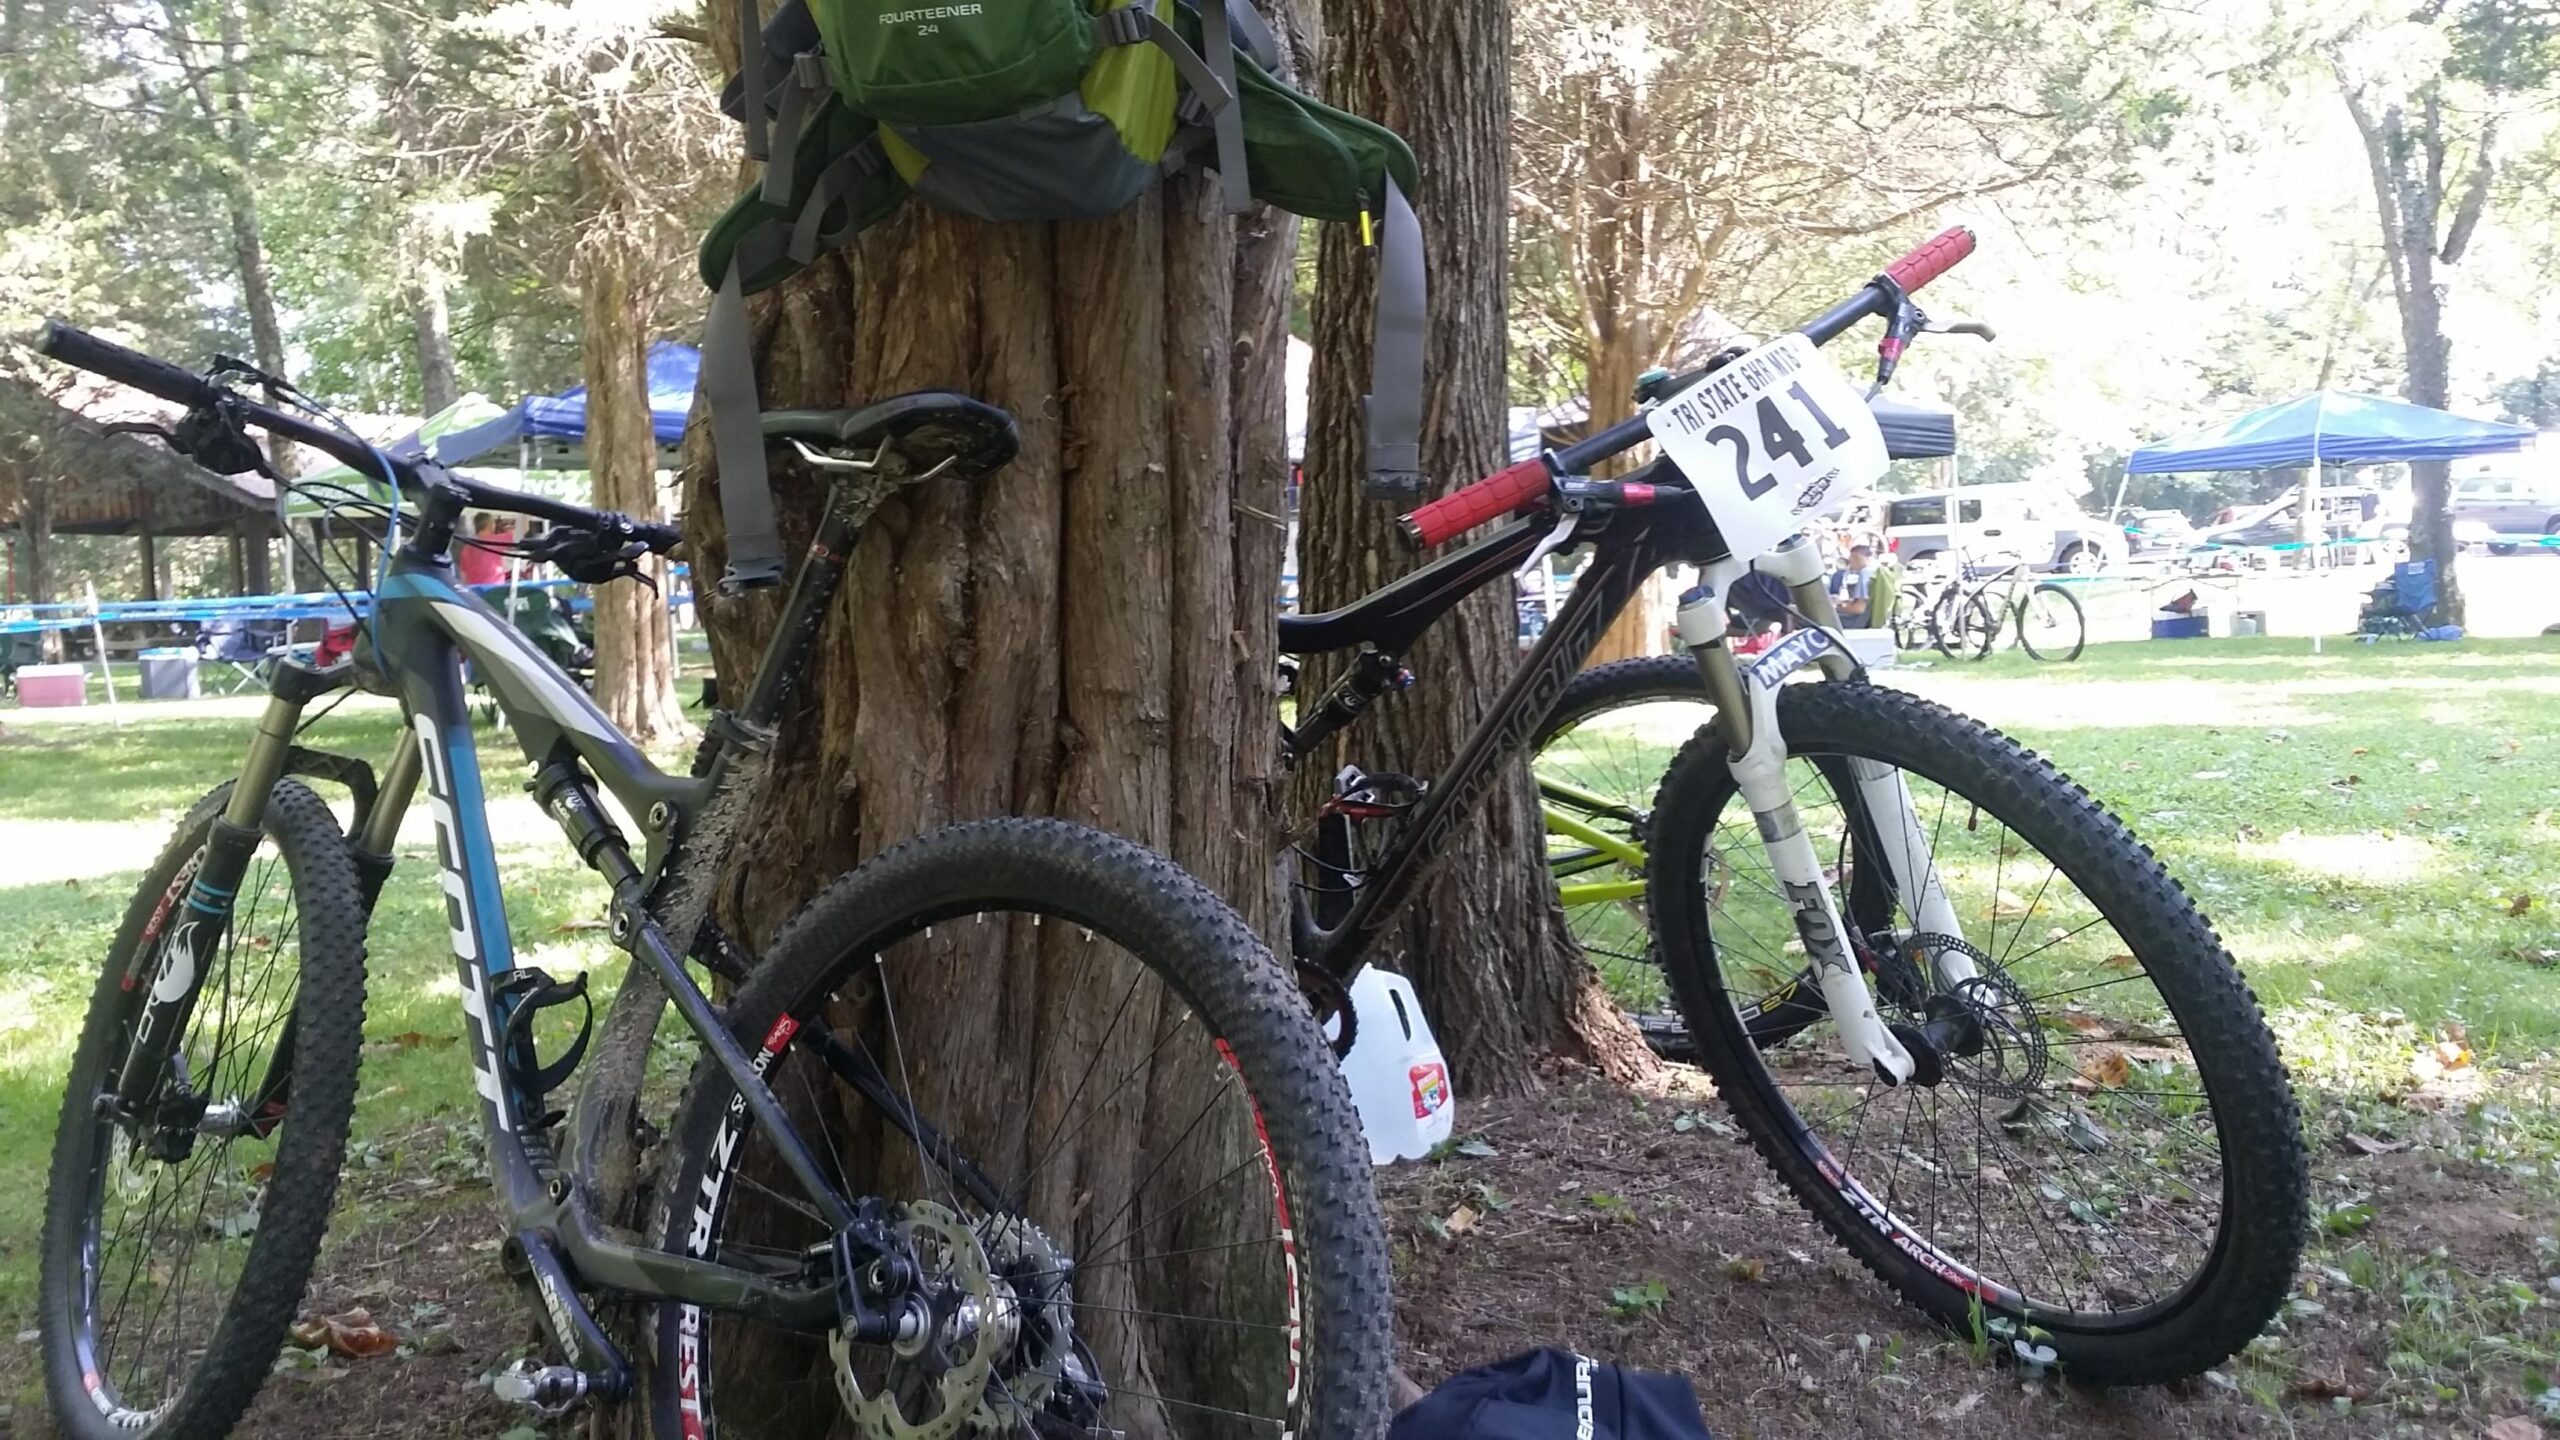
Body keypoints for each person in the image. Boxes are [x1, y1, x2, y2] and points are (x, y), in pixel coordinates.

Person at [1828, 545, 1875, 628]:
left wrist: (1836, 609)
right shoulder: (1874, 570)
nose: (1850, 564)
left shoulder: (1864, 573)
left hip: (1858, 622)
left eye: (1852, 560)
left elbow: (1858, 608)